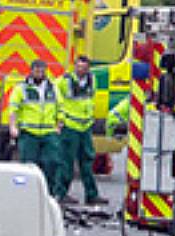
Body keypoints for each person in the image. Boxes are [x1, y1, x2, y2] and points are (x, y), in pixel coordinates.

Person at [55, 55, 108, 205]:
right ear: (74, 67)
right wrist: (59, 120)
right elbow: (55, 99)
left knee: (87, 162)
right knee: (66, 162)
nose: (81, 70)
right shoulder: (64, 81)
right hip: (70, 126)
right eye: (78, 67)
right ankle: (61, 193)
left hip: (85, 127)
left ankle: (91, 194)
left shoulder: (92, 80)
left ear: (88, 68)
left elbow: (90, 100)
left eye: (84, 68)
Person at [9, 60, 62, 197]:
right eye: (37, 70)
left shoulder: (53, 88)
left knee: (52, 163)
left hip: (49, 132)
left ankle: (48, 194)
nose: (39, 73)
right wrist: (13, 126)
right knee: (28, 166)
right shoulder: (21, 88)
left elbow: (60, 108)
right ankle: (27, 195)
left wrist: (59, 125)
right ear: (31, 71)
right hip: (29, 133)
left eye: (42, 70)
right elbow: (13, 109)